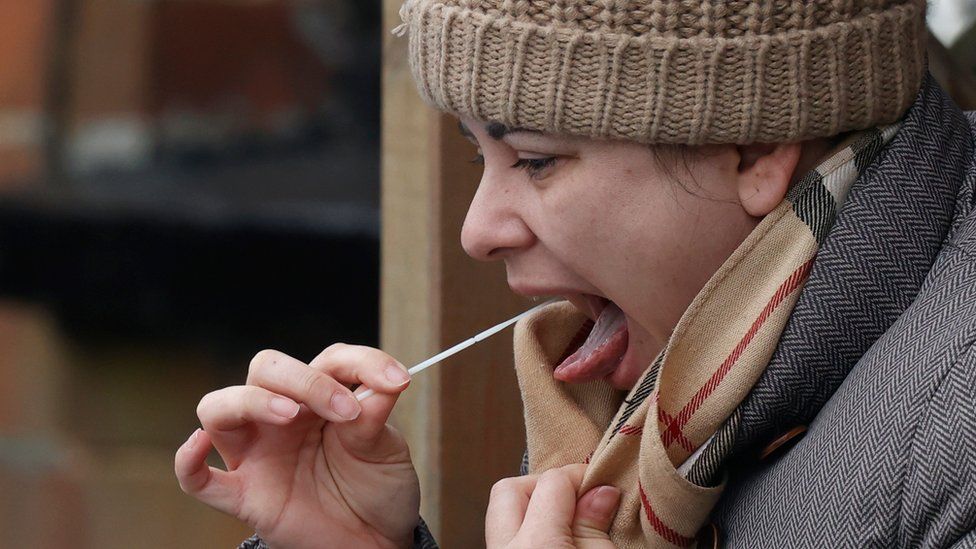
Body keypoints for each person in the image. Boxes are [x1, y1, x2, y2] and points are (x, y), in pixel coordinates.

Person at [176, 0, 976, 547]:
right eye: (476, 155)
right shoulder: (639, 410)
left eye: (535, 159)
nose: (476, 231)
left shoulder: (958, 427)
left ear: (756, 148)